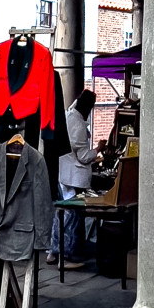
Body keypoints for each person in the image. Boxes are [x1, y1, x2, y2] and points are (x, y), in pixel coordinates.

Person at [47, 89, 99, 269]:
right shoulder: (77, 124)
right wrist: (98, 150)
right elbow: (84, 156)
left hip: (63, 172)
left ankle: (53, 252)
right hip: (72, 176)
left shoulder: (69, 116)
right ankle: (65, 257)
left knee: (60, 213)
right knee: (71, 216)